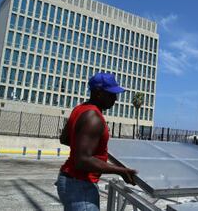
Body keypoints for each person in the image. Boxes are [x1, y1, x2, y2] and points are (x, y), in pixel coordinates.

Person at [56, 73, 137, 210]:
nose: (115, 99)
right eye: (111, 94)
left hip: (69, 181)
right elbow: (82, 161)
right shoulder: (94, 118)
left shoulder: (80, 109)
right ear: (98, 93)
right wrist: (121, 171)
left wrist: (86, 147)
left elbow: (64, 139)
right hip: (81, 187)